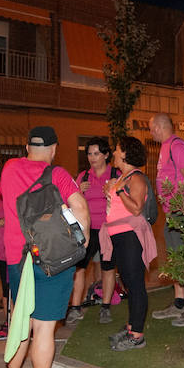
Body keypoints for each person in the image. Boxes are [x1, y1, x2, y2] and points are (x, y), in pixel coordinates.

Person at [0, 126, 89, 368]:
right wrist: (80, 245)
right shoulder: (59, 175)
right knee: (44, 328)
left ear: (27, 147)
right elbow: (81, 209)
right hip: (50, 259)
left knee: (21, 321)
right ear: (53, 149)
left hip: (17, 258)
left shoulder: (9, 168)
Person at [148, 113, 184, 326]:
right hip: (173, 214)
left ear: (160, 128)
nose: (150, 132)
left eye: (151, 128)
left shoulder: (177, 146)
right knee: (176, 260)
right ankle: (179, 303)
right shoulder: (165, 147)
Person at [103, 137, 159, 351]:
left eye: (117, 150)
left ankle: (137, 335)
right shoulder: (122, 177)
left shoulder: (136, 178)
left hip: (130, 236)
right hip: (118, 235)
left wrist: (118, 192)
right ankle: (131, 327)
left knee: (135, 285)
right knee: (128, 283)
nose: (114, 153)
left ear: (126, 153)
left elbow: (136, 209)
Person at [68, 137, 117, 325]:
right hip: (86, 230)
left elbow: (127, 198)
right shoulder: (83, 177)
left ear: (106, 154)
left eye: (96, 153)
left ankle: (105, 307)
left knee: (108, 267)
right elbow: (70, 202)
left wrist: (113, 189)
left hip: (108, 229)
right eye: (89, 153)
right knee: (79, 267)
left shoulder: (115, 174)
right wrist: (78, 190)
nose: (92, 157)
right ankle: (75, 307)